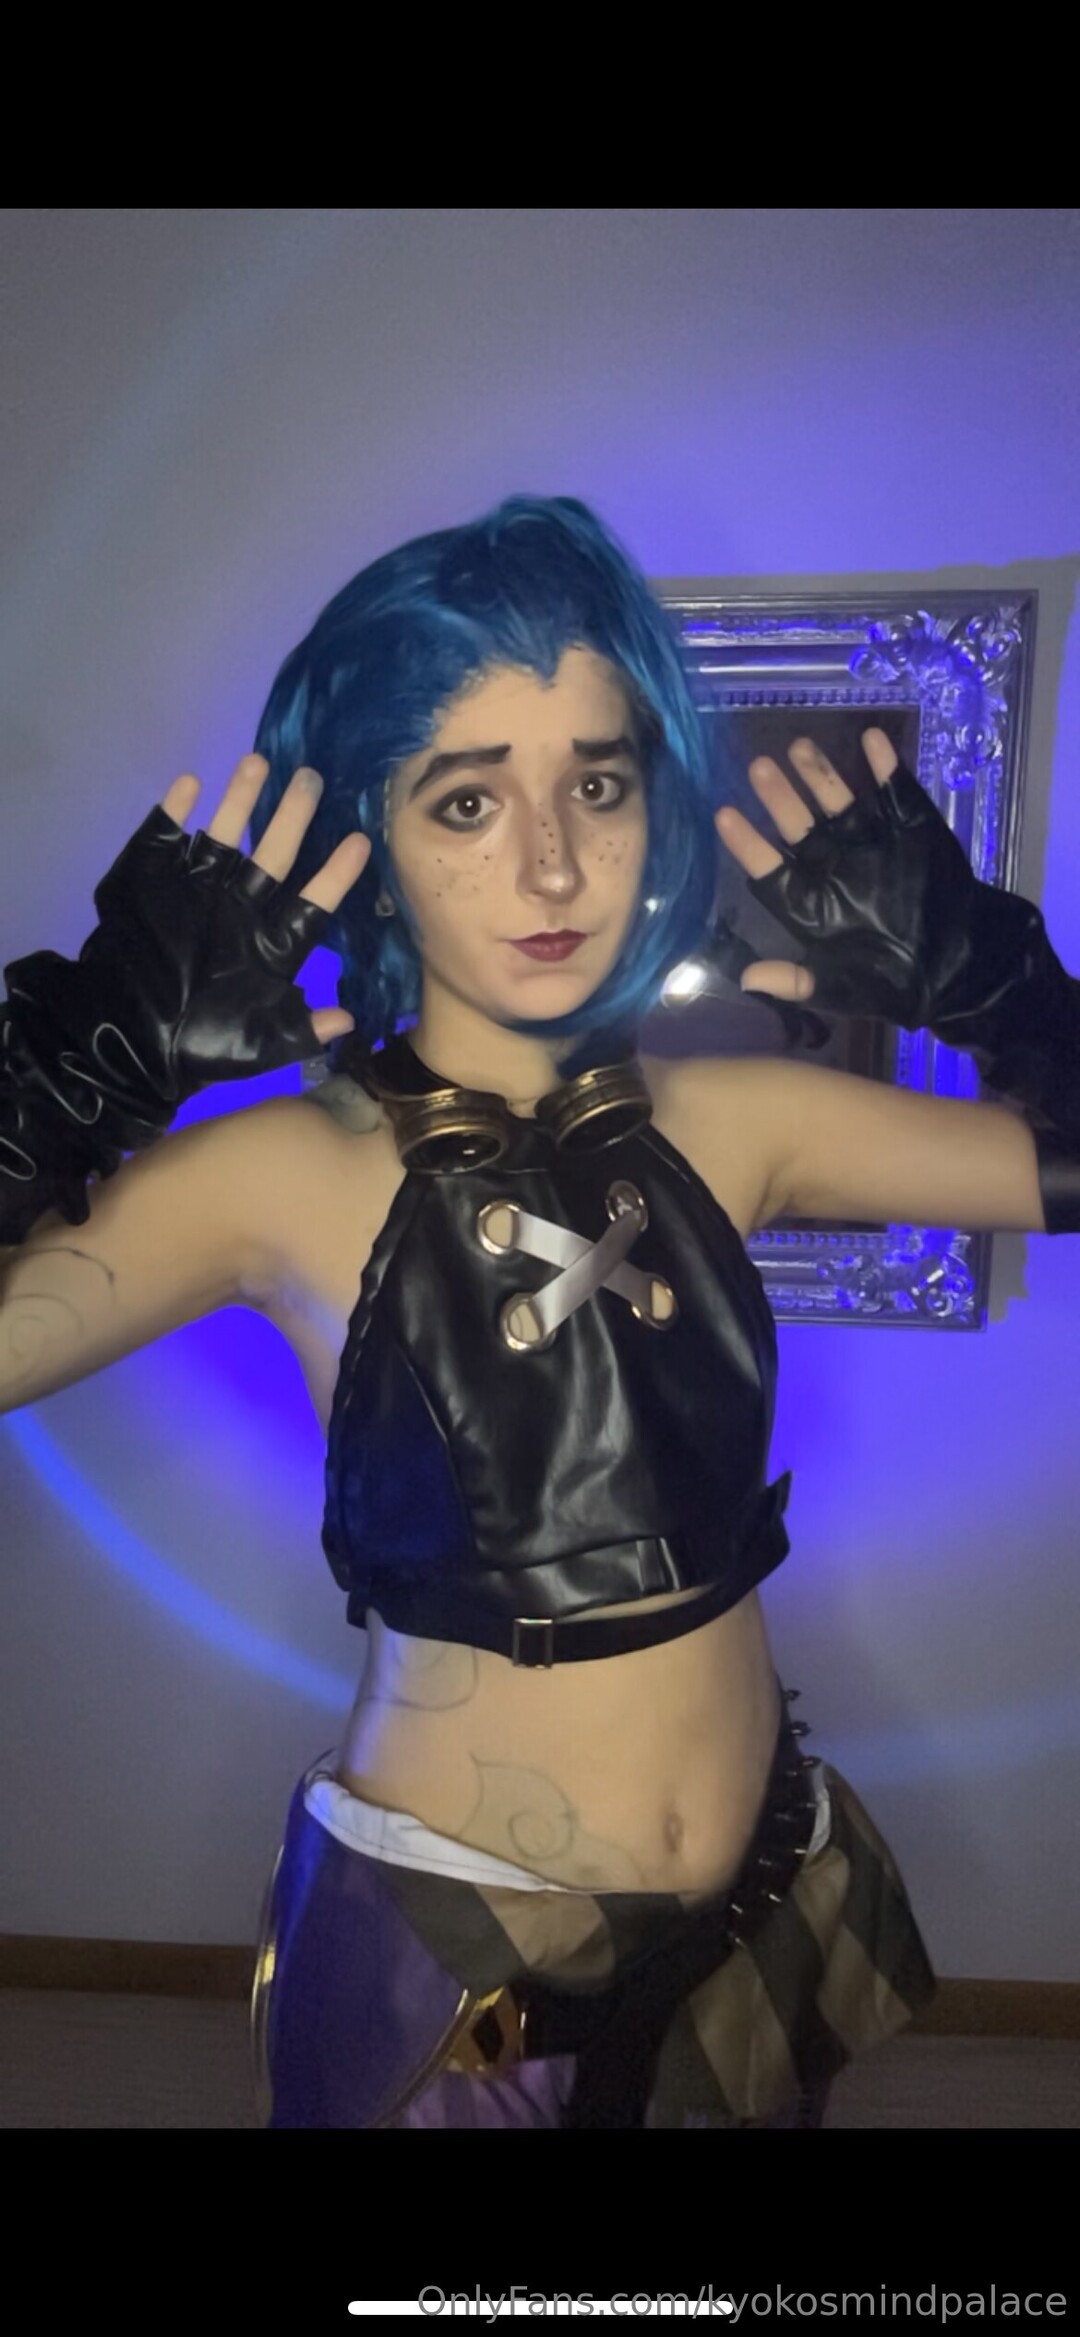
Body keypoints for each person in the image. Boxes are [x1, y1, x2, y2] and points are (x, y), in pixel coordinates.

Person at [2, 496, 1077, 2130]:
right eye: (465, 798)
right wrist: (86, 1047)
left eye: (597, 782)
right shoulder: (282, 1174)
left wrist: (986, 971)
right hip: (457, 1973)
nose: (554, 863)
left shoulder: (737, 1121)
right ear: (367, 836)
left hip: (757, 1907)